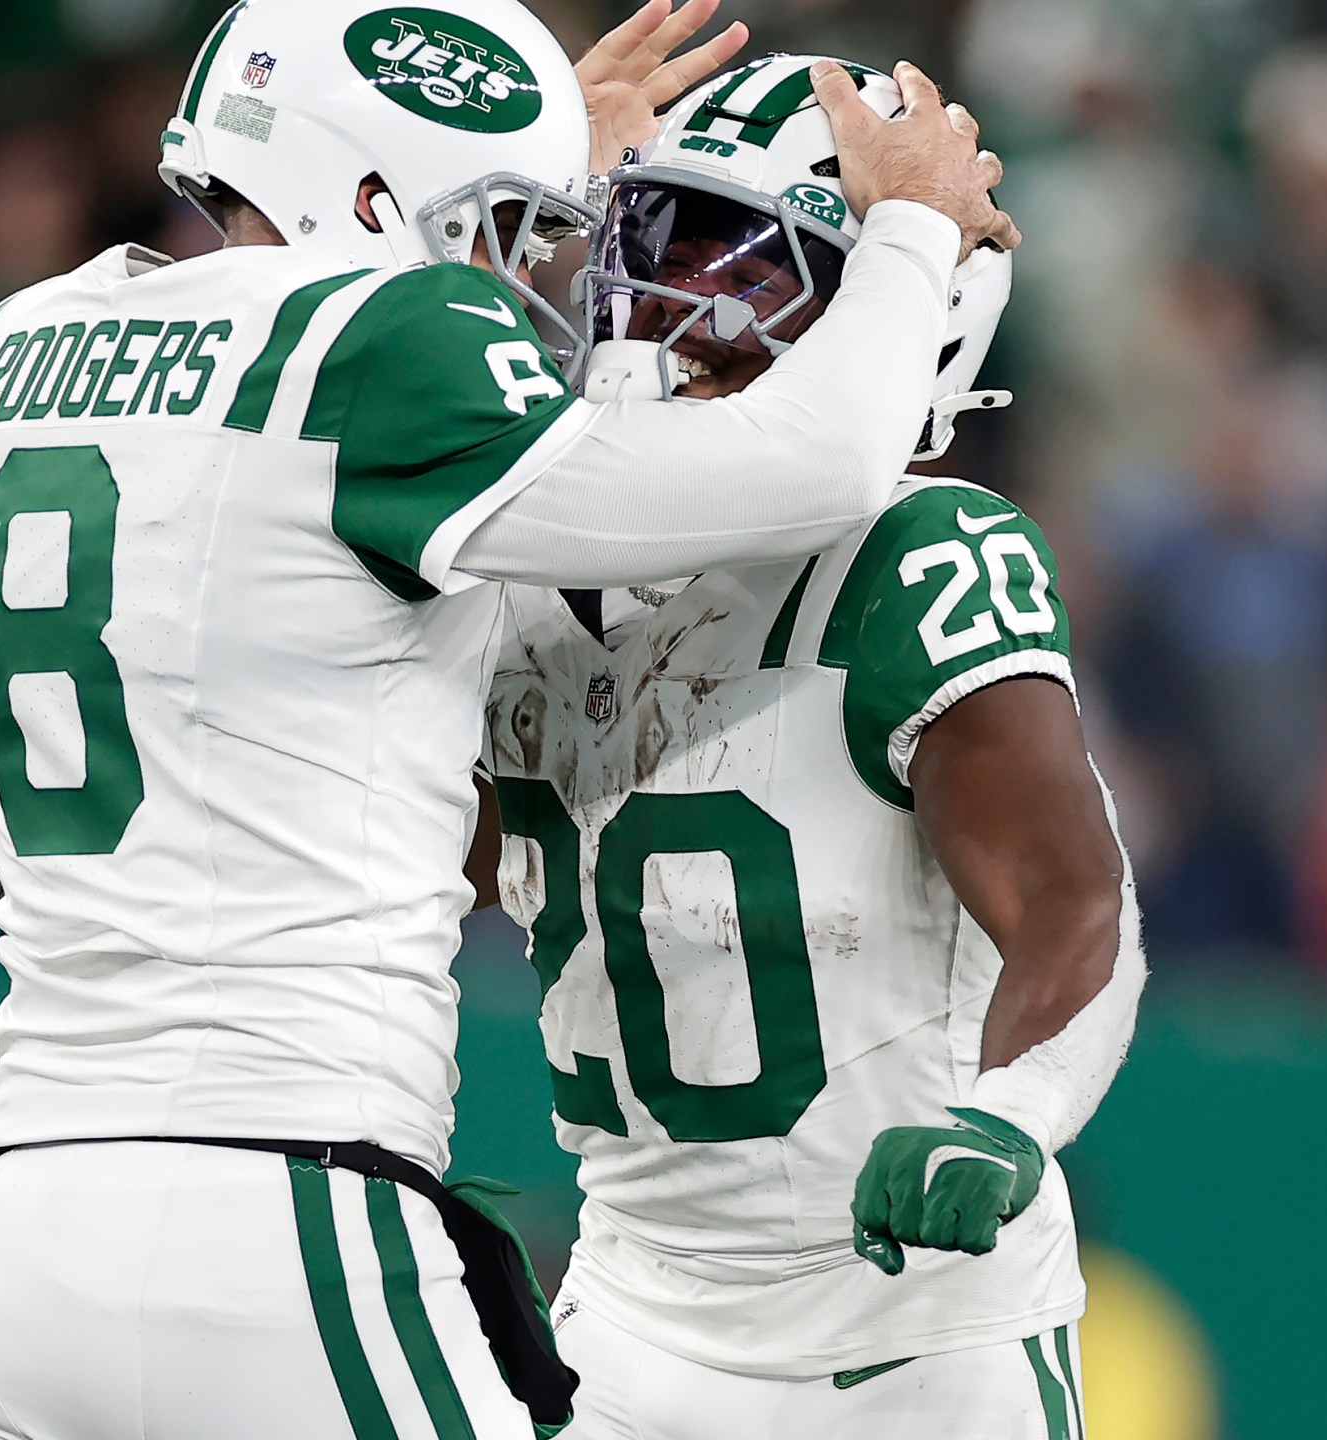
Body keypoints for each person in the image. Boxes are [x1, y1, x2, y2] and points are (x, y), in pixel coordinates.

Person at [0, 2, 1020, 1438]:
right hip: (279, 1205)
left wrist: (515, 156)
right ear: (366, 195)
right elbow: (820, 460)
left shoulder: (10, 349)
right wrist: (910, 237)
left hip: (30, 1210)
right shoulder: (388, 341)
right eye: (498, 222)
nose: (527, 269)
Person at [471, 55, 1143, 1439]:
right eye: (649, 242)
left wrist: (1006, 1115)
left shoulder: (913, 558)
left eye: (742, 266)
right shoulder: (516, 564)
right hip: (627, 1325)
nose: (661, 312)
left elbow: (1078, 905)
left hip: (909, 1354)